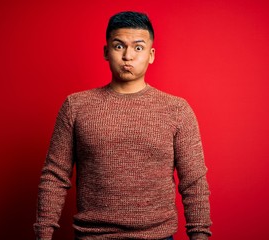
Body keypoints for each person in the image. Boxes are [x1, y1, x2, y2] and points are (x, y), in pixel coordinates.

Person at [34, 11, 212, 240]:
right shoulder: (76, 106)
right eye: (119, 46)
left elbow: (194, 182)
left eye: (138, 48)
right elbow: (55, 176)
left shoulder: (177, 110)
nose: (128, 56)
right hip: (93, 237)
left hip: (157, 236)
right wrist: (43, 235)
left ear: (151, 54)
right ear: (106, 52)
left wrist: (200, 236)